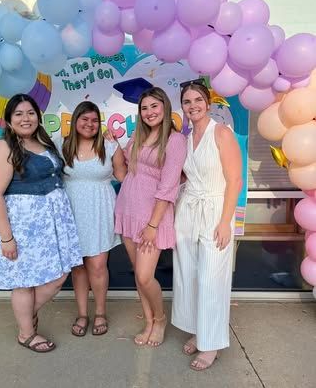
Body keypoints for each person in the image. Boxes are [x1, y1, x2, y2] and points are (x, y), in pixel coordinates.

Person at [0, 94, 83, 353]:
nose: (25, 118)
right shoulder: (3, 147)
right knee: (24, 281)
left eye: (30, 112)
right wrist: (7, 238)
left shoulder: (42, 141)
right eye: (18, 114)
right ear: (8, 120)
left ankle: (26, 317)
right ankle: (26, 333)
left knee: (59, 275)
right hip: (23, 225)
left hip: (51, 224)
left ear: (38, 117)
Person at [171, 80, 242, 371]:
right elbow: (187, 175)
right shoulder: (185, 138)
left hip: (215, 211)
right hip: (188, 210)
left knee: (213, 278)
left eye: (198, 100)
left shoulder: (221, 133)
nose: (193, 106)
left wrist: (226, 222)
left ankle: (212, 344)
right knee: (189, 274)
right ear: (183, 107)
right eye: (187, 102)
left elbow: (234, 180)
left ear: (208, 103)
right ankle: (198, 329)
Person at [114, 87, 187, 347]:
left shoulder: (175, 140)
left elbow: (168, 186)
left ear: (165, 107)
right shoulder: (137, 137)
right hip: (128, 210)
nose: (149, 112)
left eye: (154, 106)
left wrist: (153, 225)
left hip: (151, 218)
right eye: (144, 108)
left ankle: (160, 318)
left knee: (146, 276)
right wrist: (110, 145)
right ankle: (147, 321)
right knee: (138, 274)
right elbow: (124, 166)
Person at [59, 101, 127, 337]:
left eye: (94, 120)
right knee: (78, 267)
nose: (89, 124)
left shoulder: (109, 146)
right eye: (84, 119)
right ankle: (82, 314)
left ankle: (99, 312)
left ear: (100, 123)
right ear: (75, 120)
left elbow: (124, 176)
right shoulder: (62, 145)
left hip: (100, 210)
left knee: (97, 266)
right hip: (72, 211)